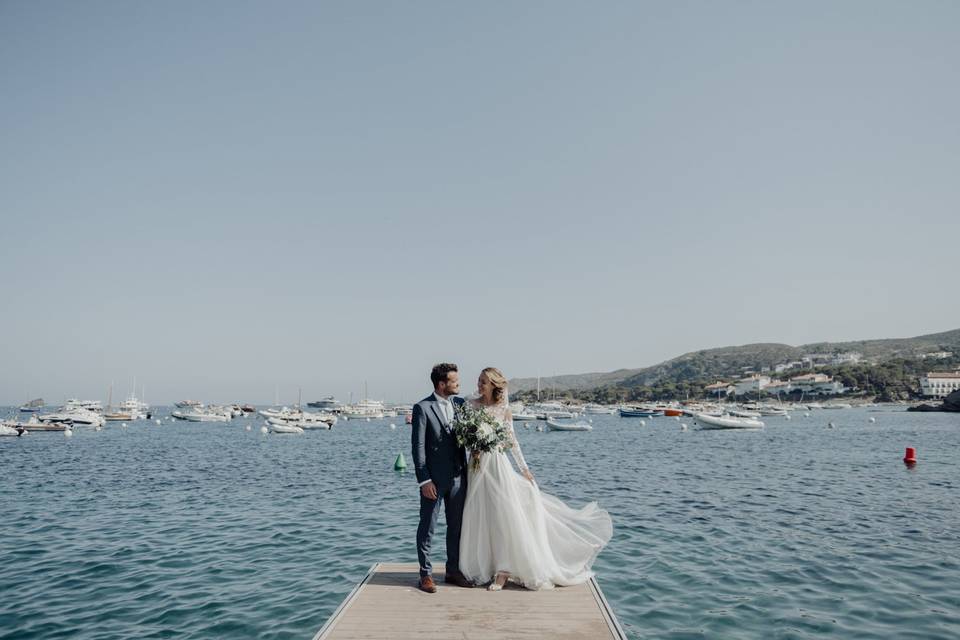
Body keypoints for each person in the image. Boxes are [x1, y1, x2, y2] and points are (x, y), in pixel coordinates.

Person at [459, 367, 613, 591]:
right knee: (479, 514)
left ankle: (503, 571)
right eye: (479, 380)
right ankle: (484, 565)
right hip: (475, 467)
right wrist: (472, 446)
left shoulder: (504, 410)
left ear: (494, 385)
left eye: (484, 381)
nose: (479, 384)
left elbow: (512, 442)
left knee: (502, 515)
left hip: (496, 466)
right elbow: (464, 437)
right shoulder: (470, 405)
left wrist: (525, 470)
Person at [410, 363, 472, 593]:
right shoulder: (423, 408)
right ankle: (425, 574)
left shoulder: (460, 404)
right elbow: (418, 448)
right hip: (433, 481)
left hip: (458, 478)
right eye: (455, 381)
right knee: (428, 527)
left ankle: (452, 571)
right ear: (441, 384)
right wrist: (424, 480)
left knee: (456, 527)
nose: (458, 384)